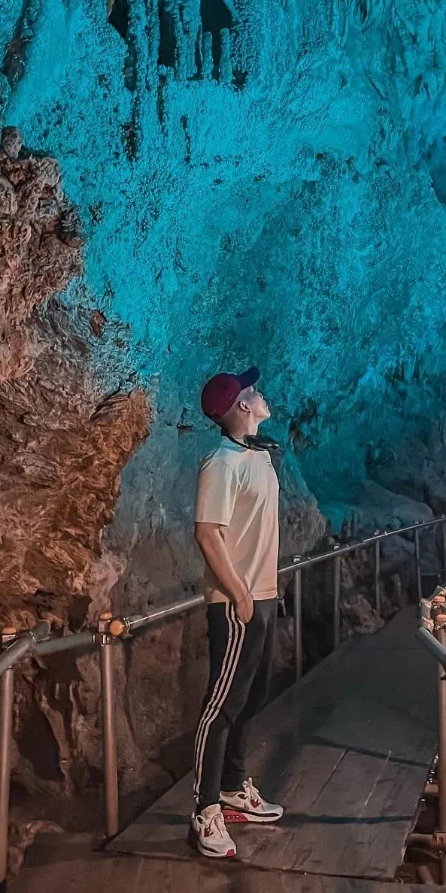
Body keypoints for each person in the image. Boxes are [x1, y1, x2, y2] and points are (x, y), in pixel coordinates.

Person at [188, 365, 288, 859]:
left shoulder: (257, 457)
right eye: (253, 389)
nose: (261, 391)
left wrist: (264, 593)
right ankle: (204, 811)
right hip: (236, 602)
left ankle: (233, 789)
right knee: (221, 706)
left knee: (251, 697)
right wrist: (241, 595)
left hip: (262, 595)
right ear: (242, 406)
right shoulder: (221, 462)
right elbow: (208, 533)